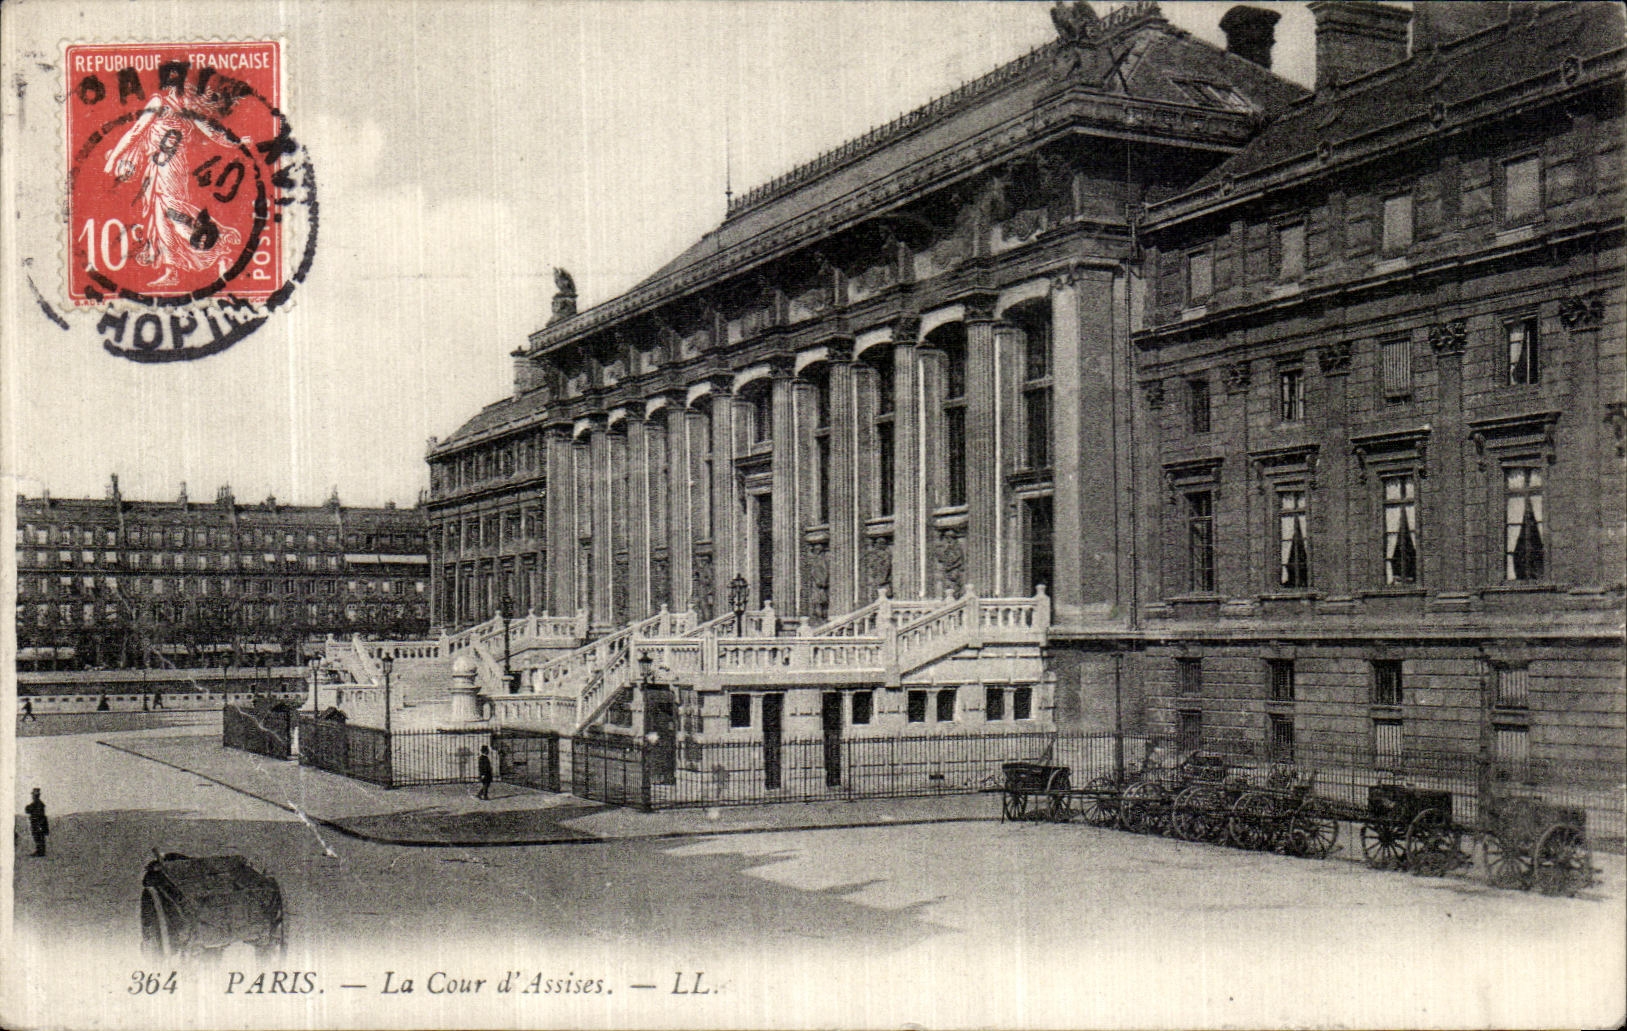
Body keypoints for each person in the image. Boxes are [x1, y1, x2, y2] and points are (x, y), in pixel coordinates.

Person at [25, 789, 48, 857]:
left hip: (38, 824)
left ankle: (40, 852)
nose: (32, 796)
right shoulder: (38, 803)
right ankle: (40, 851)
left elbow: (28, 810)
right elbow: (28, 810)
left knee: (38, 837)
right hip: (39, 823)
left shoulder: (37, 804)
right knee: (38, 837)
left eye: (33, 795)